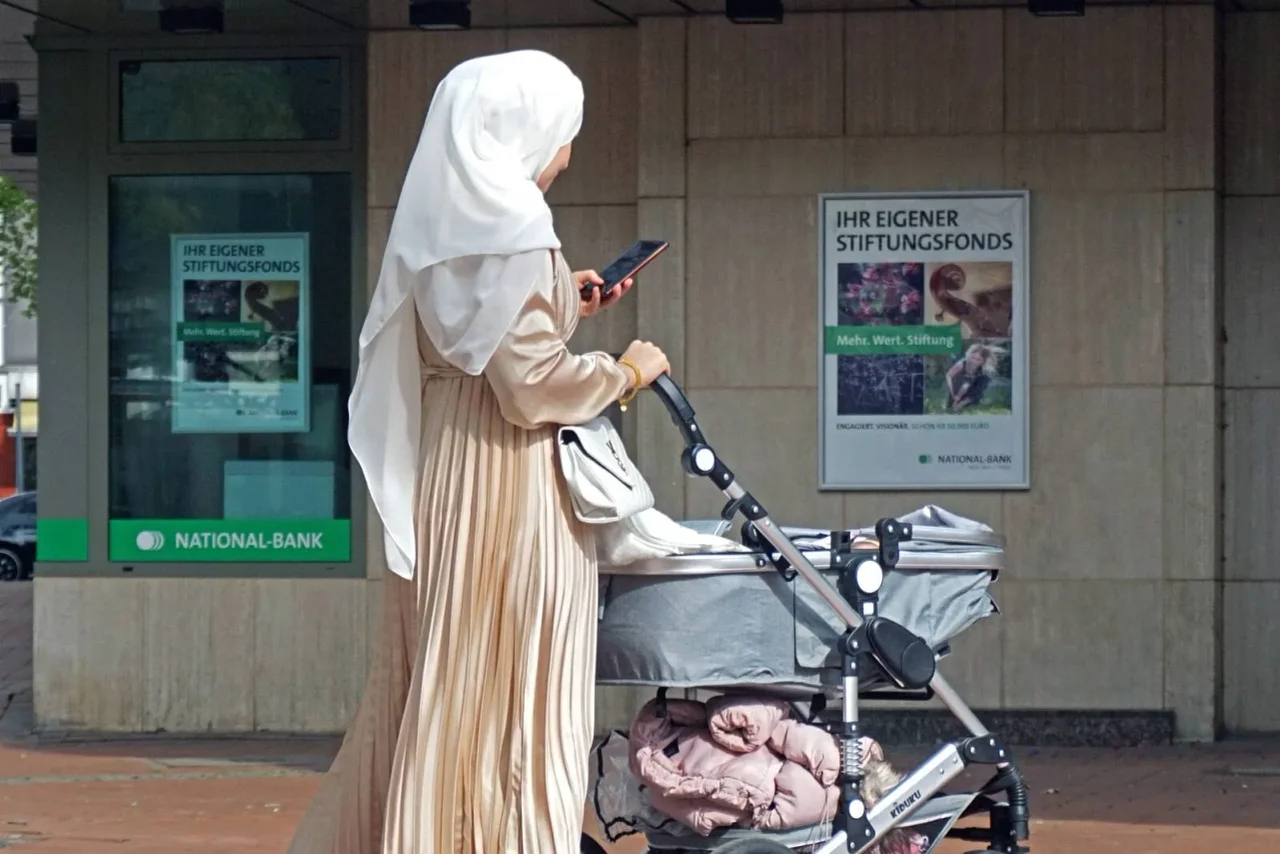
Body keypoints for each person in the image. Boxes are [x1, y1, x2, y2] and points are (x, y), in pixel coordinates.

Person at [286, 50, 670, 853]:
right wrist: (626, 371)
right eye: (566, 131)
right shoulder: (522, 234)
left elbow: (485, 337)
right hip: (511, 478)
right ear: (526, 131)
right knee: (519, 679)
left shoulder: (440, 227)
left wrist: (572, 296)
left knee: (452, 674)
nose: (568, 150)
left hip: (449, 470)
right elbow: (530, 386)